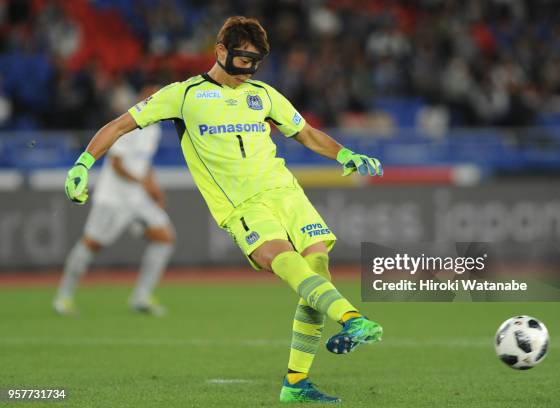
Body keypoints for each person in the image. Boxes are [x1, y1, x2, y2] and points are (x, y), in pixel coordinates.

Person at [63, 16, 383, 403]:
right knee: (282, 261)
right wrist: (84, 163)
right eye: (244, 60)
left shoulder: (263, 94)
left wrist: (345, 153)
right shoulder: (182, 95)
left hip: (286, 192)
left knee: (316, 271)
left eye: (256, 62)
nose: (249, 70)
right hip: (241, 205)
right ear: (220, 51)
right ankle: (352, 318)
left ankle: (295, 385)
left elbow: (307, 133)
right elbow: (117, 126)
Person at [55, 85, 174, 317]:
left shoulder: (154, 129)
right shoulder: (132, 124)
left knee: (165, 238)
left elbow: (143, 162)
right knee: (92, 244)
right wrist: (143, 182)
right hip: (113, 198)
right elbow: (117, 164)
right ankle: (64, 297)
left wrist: (154, 188)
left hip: (136, 197)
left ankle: (141, 296)